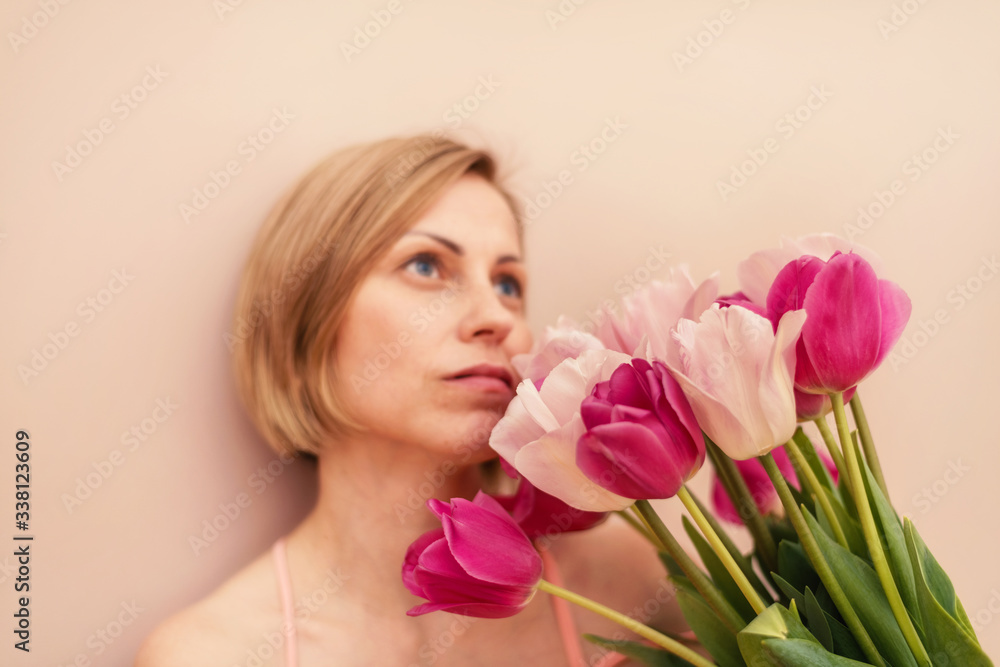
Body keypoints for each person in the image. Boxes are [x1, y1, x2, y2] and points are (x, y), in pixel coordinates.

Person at [134, 133, 691, 666]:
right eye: (425, 266)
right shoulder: (209, 655)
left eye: (507, 283)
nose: (497, 317)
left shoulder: (637, 585)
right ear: (306, 322)